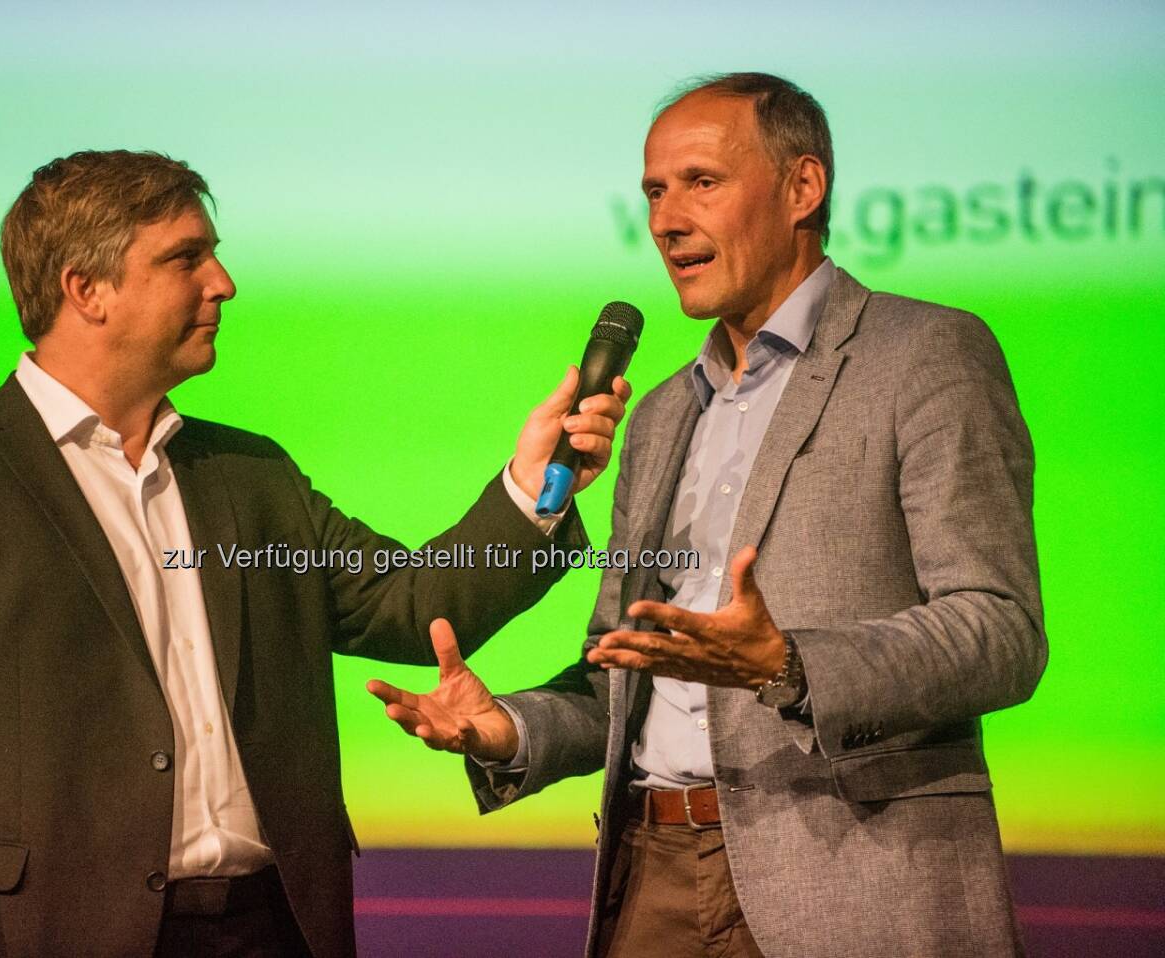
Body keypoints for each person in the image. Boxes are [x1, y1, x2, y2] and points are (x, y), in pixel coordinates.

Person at [0, 149, 629, 958]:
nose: (224, 282)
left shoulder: (250, 473)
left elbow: (410, 606)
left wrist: (536, 485)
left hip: (272, 928)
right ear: (84, 288)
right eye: (186, 257)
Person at [367, 72, 1046, 957]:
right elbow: (627, 670)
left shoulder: (923, 356)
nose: (665, 219)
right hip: (651, 870)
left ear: (803, 188)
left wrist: (794, 665)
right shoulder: (656, 415)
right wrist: (514, 727)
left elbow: (1000, 631)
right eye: (654, 190)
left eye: (701, 183)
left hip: (848, 878)